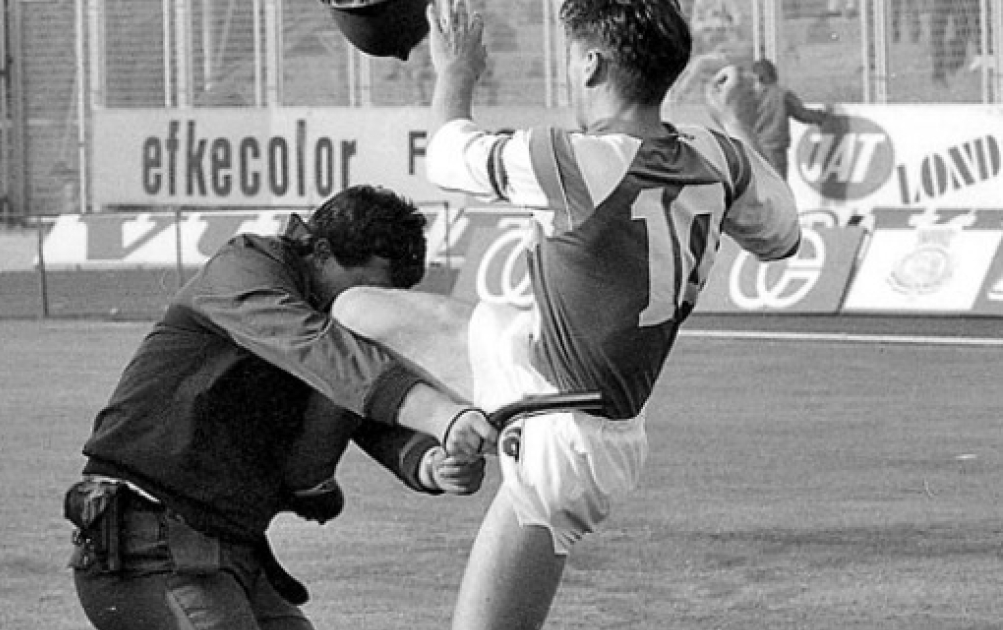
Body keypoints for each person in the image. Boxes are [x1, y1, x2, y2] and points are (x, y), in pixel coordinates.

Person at [328, 2, 802, 629]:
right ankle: (437, 434)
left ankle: (425, 444)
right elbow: (784, 236)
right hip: (550, 378)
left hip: (561, 429)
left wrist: (457, 68)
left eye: (571, 56)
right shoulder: (718, 156)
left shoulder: (578, 160)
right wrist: (738, 126)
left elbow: (445, 155)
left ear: (591, 65)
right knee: (350, 307)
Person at [65, 184, 496, 630]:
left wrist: (427, 461)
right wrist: (439, 414)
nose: (365, 307)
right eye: (364, 289)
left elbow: (346, 396)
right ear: (321, 252)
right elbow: (321, 353)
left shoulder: (321, 319)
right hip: (151, 545)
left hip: (222, 550)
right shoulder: (244, 270)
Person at [748, 58, 830, 180]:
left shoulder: (748, 96)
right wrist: (822, 116)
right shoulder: (782, 94)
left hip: (753, 147)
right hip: (774, 147)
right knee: (778, 183)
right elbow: (802, 114)